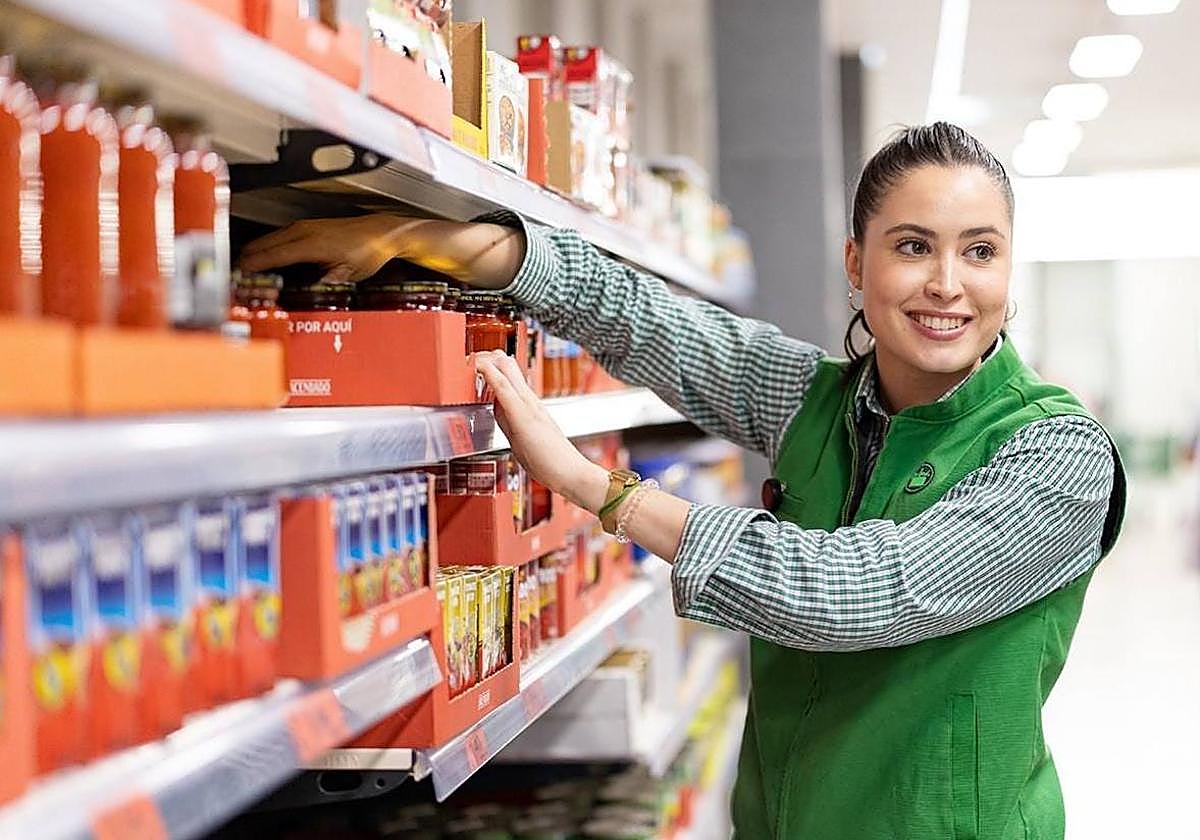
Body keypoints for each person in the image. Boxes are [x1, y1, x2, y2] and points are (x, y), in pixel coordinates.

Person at [239, 123, 1125, 839]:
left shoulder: (1055, 456)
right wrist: (459, 242)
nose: (946, 284)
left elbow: (859, 592)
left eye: (979, 252)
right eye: (913, 246)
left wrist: (605, 491)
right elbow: (654, 324)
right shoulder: (819, 401)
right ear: (856, 265)